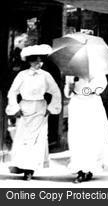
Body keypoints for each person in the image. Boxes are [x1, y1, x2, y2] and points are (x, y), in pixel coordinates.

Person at [5, 45, 62, 181]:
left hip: (40, 109)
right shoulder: (22, 75)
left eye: (40, 61)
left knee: (37, 139)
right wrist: (15, 108)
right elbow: (12, 92)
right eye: (35, 61)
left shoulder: (46, 75)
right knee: (23, 137)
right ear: (29, 61)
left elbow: (56, 92)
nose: (38, 64)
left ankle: (30, 168)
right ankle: (21, 164)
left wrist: (51, 107)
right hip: (25, 108)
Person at [64, 71, 108, 183]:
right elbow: (67, 93)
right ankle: (80, 169)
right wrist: (71, 86)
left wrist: (87, 85)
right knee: (77, 136)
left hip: (91, 104)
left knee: (91, 136)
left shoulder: (97, 70)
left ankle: (88, 169)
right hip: (77, 104)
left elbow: (100, 87)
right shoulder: (72, 71)